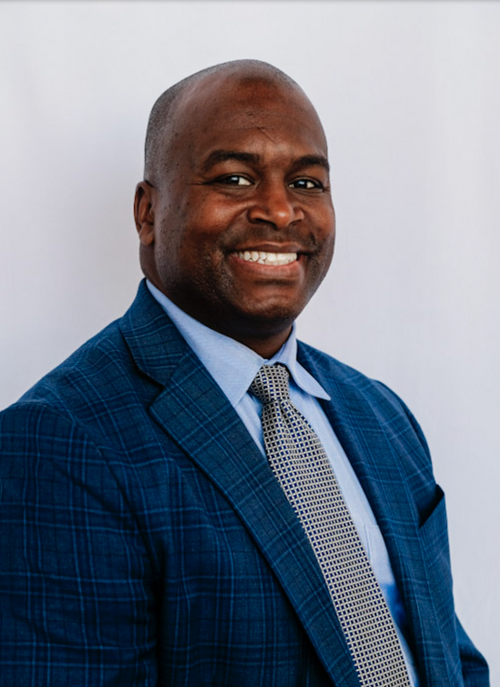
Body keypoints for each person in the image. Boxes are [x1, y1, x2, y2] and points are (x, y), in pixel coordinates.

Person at [0, 60, 488, 686]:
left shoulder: (381, 417)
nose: (281, 212)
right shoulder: (58, 444)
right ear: (148, 213)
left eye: (307, 183)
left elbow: (448, 658)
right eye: (235, 178)